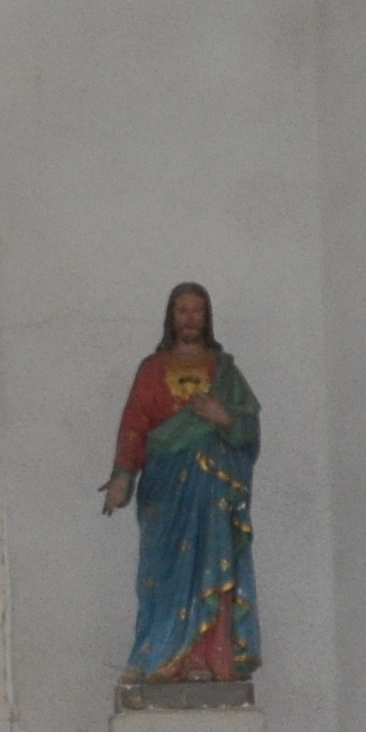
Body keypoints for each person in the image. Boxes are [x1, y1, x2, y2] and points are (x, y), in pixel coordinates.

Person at [100, 281, 261, 684]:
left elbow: (249, 430)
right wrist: (122, 476)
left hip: (212, 493)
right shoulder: (152, 370)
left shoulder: (225, 372)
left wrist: (222, 417)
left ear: (207, 317)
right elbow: (135, 425)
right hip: (166, 490)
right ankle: (157, 655)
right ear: (171, 317)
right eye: (182, 310)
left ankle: (205, 659)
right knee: (164, 573)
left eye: (197, 310)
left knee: (210, 562)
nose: (189, 318)